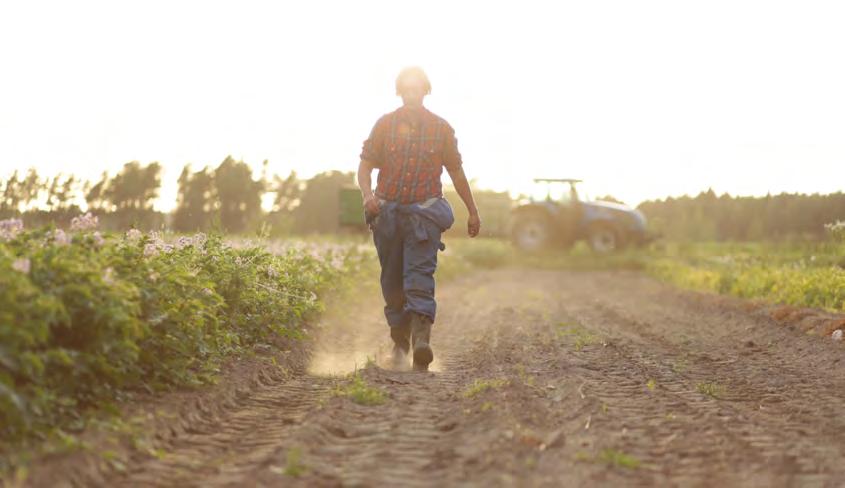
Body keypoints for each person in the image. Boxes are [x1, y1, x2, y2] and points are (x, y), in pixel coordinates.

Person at [358, 66, 481, 371]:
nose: (412, 95)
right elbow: (364, 167)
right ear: (400, 92)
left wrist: (473, 210)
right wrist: (367, 196)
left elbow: (456, 172)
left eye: (417, 90)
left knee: (420, 276)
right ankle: (399, 345)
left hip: (424, 217)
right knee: (392, 282)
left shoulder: (441, 129)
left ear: (426, 92)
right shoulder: (385, 125)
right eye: (406, 90)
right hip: (387, 215)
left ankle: (421, 342)